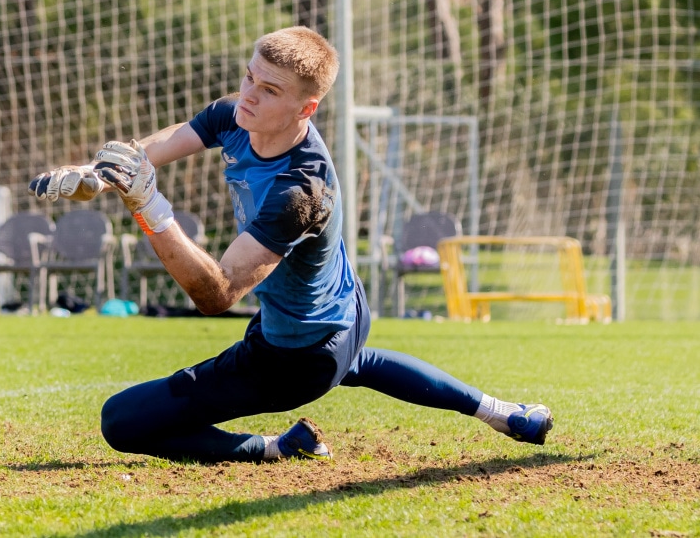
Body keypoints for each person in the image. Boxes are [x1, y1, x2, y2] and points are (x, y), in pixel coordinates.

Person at [28, 26, 552, 462]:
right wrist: (95, 175)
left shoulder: (300, 192)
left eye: (270, 90)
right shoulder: (236, 115)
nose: (249, 95)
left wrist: (150, 207)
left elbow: (216, 294)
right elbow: (149, 152)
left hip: (297, 357)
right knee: (361, 362)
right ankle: (504, 413)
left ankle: (275, 447)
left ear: (307, 109)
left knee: (121, 420)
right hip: (344, 312)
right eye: (248, 77)